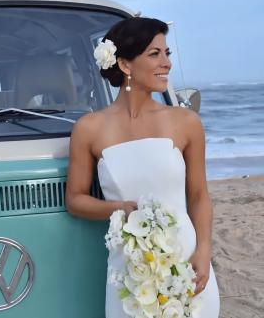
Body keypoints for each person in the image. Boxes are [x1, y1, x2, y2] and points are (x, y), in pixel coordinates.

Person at [65, 17, 219, 317]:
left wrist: (203, 251)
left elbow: (199, 196)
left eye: (167, 54)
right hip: (129, 272)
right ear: (124, 65)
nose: (167, 63)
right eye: (154, 54)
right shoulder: (89, 129)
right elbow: (75, 199)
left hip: (186, 259)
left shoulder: (186, 123)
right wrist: (121, 207)